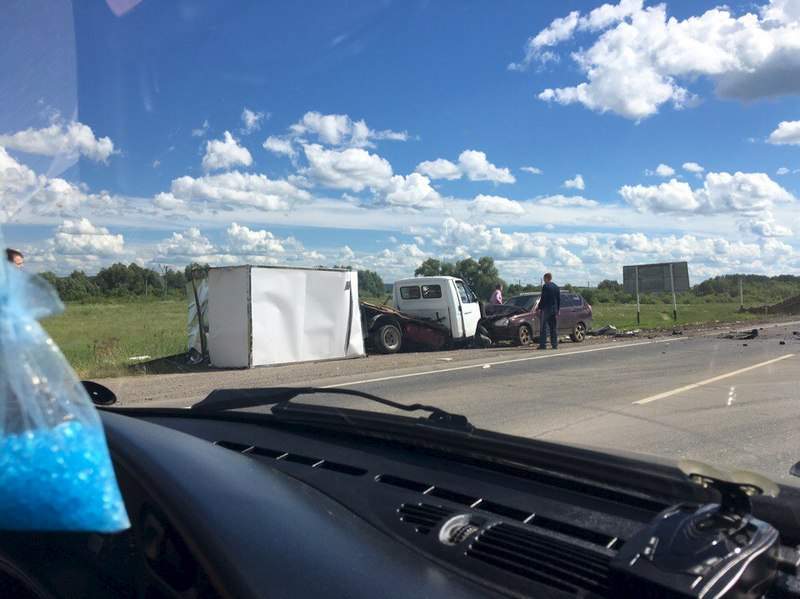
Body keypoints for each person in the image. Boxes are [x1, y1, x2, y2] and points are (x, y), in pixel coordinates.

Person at [535, 272, 560, 349]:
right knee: (553, 327)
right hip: (554, 310)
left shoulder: (545, 286)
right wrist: (558, 309)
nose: (543, 280)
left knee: (543, 327)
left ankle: (543, 344)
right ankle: (554, 344)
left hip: (546, 309)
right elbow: (558, 299)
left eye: (544, 278)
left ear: (546, 278)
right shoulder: (556, 287)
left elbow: (543, 298)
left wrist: (539, 307)